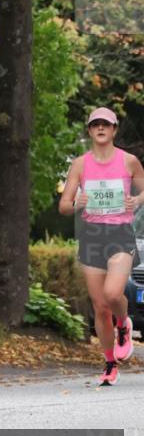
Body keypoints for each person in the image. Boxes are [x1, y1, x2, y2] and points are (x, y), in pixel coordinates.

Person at [59, 107, 144, 386]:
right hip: (92, 235)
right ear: (89, 130)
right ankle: (109, 363)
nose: (100, 128)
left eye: (105, 124)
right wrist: (75, 204)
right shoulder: (80, 165)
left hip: (120, 233)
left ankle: (124, 324)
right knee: (99, 306)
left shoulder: (129, 161)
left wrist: (137, 200)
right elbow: (63, 206)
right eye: (95, 124)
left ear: (114, 130)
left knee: (111, 293)